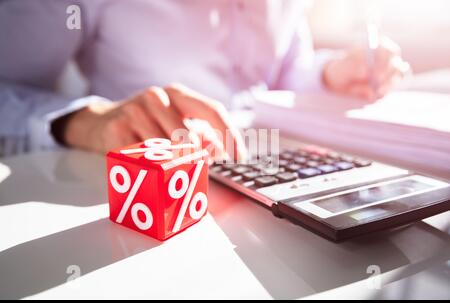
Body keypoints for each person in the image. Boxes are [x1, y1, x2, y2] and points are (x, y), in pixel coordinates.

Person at [0, 0, 409, 158]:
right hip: (133, 187)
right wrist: (84, 121)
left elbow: (281, 77)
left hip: (269, 169)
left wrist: (330, 75)